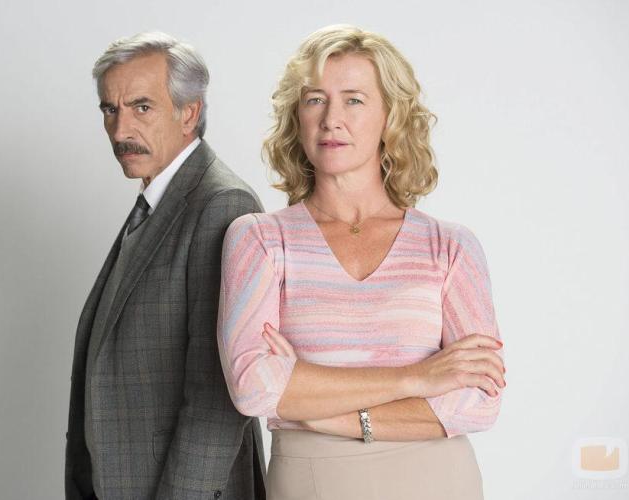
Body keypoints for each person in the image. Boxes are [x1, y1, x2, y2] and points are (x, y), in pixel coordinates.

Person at [217, 25, 506, 500]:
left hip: (438, 480)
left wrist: (319, 411)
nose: (332, 119)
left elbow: (477, 401)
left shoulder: (450, 246)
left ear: (391, 115)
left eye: (353, 100)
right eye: (315, 99)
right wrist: (416, 378)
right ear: (296, 116)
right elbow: (254, 387)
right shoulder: (260, 239)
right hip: (313, 481)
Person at [65, 32, 266, 500]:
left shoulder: (221, 204)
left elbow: (217, 397)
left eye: (142, 107)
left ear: (189, 112)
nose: (120, 131)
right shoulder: (159, 201)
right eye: (109, 110)